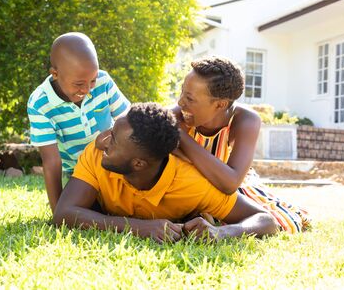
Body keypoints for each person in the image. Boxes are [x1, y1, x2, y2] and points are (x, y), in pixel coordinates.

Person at [54, 103, 279, 243]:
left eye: (113, 139)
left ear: (139, 163)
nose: (102, 141)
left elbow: (266, 221)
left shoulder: (192, 182)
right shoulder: (96, 154)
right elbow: (64, 212)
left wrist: (221, 233)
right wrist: (138, 228)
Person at [174, 56, 310, 233]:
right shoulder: (179, 115)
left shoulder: (244, 120)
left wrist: (181, 137)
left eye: (190, 98)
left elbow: (231, 182)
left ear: (220, 104)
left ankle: (222, 229)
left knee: (284, 223)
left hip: (237, 186)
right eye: (182, 92)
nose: (180, 102)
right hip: (194, 183)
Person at [27, 32, 130, 213]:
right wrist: (58, 211)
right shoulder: (39, 104)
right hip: (81, 176)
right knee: (85, 212)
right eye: (79, 84)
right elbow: (52, 162)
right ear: (55, 74)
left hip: (114, 165)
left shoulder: (103, 82)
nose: (88, 89)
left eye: (92, 80)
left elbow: (129, 121)